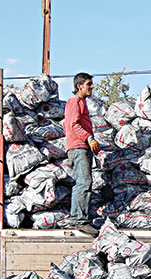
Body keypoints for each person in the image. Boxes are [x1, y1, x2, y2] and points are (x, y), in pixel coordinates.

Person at [64, 72, 101, 236]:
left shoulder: (81, 102)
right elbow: (73, 125)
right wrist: (89, 138)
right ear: (79, 86)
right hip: (79, 147)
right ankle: (79, 220)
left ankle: (78, 217)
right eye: (88, 84)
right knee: (84, 182)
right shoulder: (75, 102)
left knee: (84, 181)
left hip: (81, 146)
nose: (91, 87)